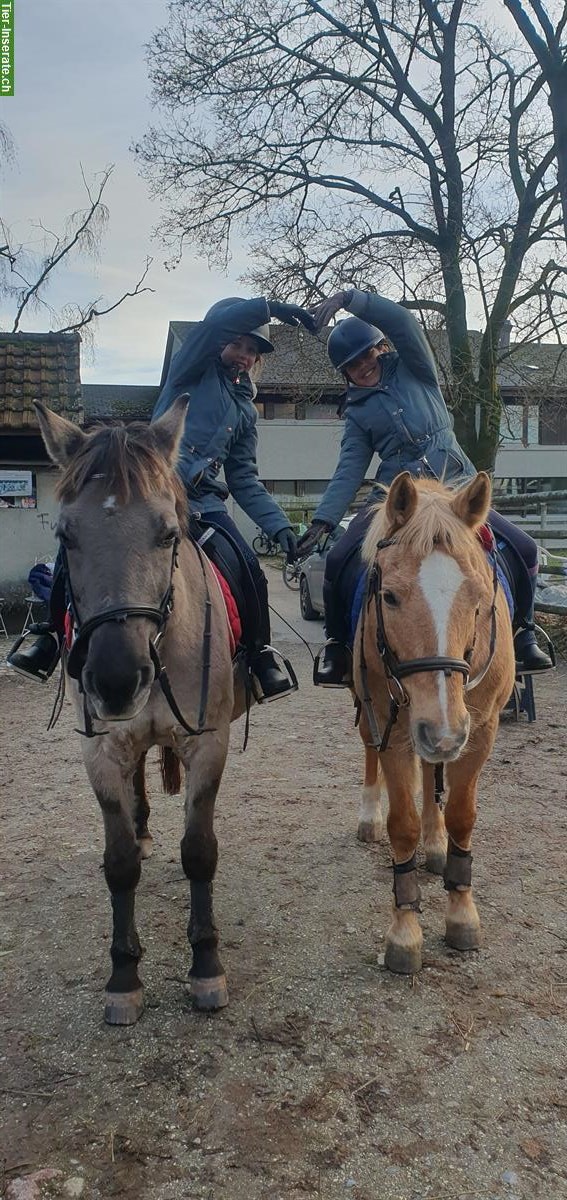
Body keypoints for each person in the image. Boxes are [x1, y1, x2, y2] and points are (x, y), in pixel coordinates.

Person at [9, 295, 316, 701]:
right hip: (149, 494)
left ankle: (260, 656)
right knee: (78, 547)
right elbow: (209, 332)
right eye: (237, 343)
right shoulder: (189, 369)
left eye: (252, 349)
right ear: (218, 341)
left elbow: (244, 479)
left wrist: (278, 526)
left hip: (204, 505)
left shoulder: (246, 411)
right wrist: (268, 309)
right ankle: (48, 636)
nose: (244, 354)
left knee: (252, 570)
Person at [297, 287, 553, 685]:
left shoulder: (416, 367)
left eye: (366, 354)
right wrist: (324, 520)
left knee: (522, 547)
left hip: (454, 487)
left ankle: (523, 632)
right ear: (344, 372)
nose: (362, 365)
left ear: (379, 349)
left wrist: (353, 299)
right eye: (352, 364)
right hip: (402, 500)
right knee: (339, 558)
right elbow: (350, 466)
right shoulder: (358, 413)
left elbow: (402, 322)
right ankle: (337, 645)